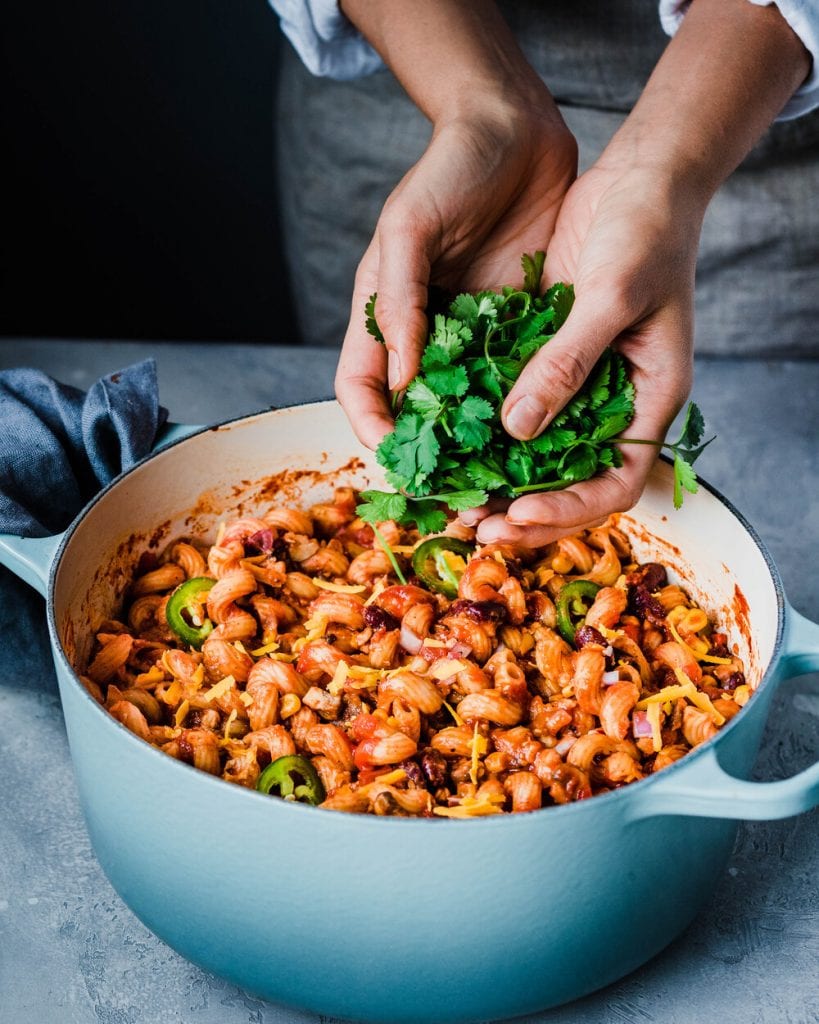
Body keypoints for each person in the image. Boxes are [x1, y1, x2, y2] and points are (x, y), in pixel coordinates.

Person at [271, 0, 817, 546]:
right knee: (390, 364)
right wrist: (485, 110)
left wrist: (661, 174)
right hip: (407, 80)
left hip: (742, 103)